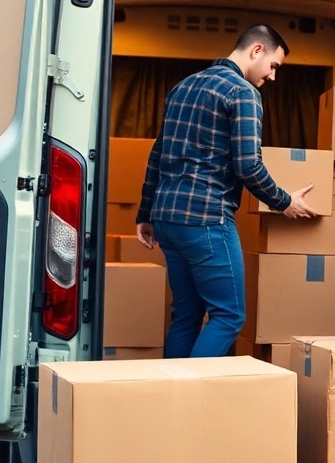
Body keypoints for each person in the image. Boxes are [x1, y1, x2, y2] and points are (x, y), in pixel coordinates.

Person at [134, 24, 316, 359]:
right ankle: (191, 400)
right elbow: (248, 165)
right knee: (229, 316)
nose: (273, 77)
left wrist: (146, 213)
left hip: (167, 220)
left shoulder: (182, 87)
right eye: (274, 66)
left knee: (186, 316)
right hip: (205, 220)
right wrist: (284, 202)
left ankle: (167, 403)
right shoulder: (243, 93)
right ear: (257, 50)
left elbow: (157, 154)